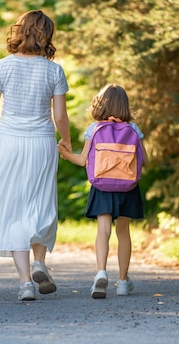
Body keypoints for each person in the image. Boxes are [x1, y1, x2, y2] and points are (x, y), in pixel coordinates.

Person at [0, 10, 72, 301]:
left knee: (13, 208)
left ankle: (25, 283)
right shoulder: (54, 71)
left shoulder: (2, 66)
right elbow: (60, 116)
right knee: (42, 202)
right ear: (46, 35)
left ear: (18, 31)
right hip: (42, 142)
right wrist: (68, 143)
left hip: (9, 143)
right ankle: (39, 262)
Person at [58, 84, 147, 299]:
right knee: (123, 232)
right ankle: (123, 282)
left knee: (103, 231)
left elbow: (83, 160)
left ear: (101, 104)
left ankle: (101, 273)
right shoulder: (133, 130)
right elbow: (144, 160)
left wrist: (64, 153)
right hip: (127, 187)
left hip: (102, 186)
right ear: (125, 106)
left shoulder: (95, 128)